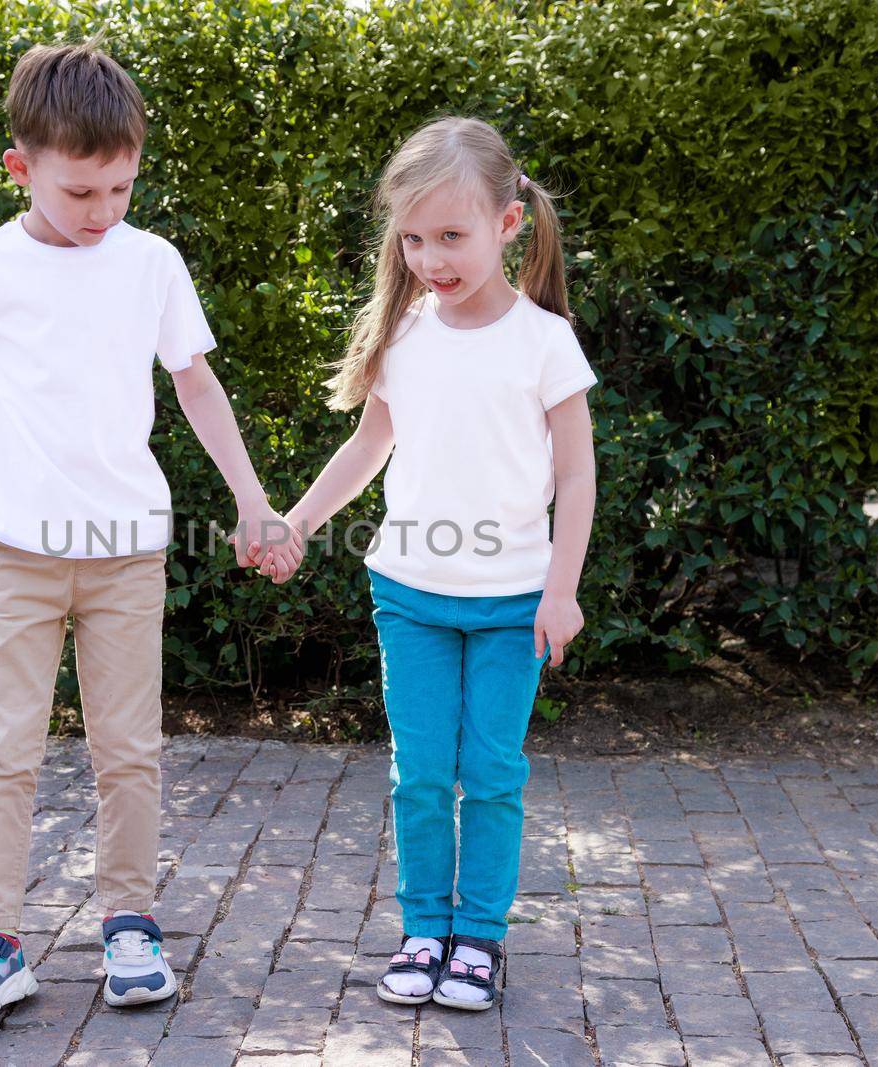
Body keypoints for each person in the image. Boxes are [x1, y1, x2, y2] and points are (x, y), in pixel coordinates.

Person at [0, 37, 299, 1018]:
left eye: (120, 189)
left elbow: (198, 385)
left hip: (127, 550)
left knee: (127, 749)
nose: (102, 212)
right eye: (80, 193)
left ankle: (129, 923)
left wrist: (252, 498)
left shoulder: (151, 263)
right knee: (4, 749)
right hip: (12, 548)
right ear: (21, 167)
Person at [255, 116, 597, 1010]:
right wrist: (295, 519)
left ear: (508, 224)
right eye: (413, 237)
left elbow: (575, 471)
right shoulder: (404, 333)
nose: (431, 256)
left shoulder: (545, 342)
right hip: (408, 591)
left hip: (513, 600)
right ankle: (422, 930)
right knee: (420, 770)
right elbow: (371, 443)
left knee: (490, 770)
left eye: (451, 235)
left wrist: (561, 589)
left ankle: (479, 938)